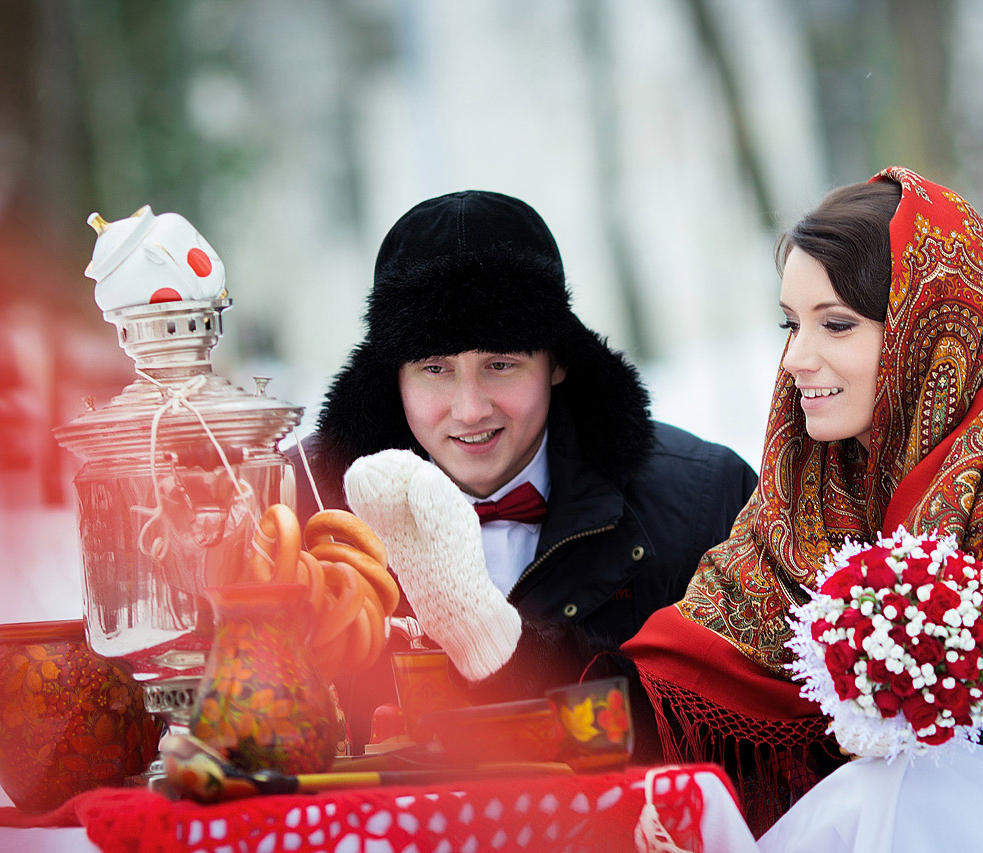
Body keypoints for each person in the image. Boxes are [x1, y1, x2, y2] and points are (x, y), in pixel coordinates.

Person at [345, 168, 983, 852]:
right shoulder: (808, 485)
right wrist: (491, 655)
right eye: (791, 323)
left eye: (838, 324)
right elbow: (676, 689)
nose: (797, 360)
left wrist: (933, 716)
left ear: (931, 324)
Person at [297, 189, 758, 748]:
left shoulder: (706, 503)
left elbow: (725, 731)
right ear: (392, 378)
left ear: (558, 361)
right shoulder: (306, 510)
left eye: (500, 364)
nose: (470, 409)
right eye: (435, 369)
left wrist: (500, 645)